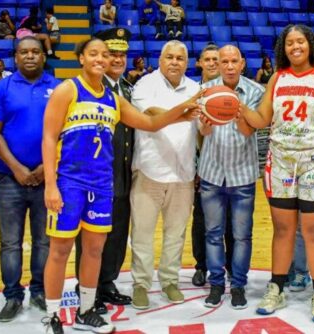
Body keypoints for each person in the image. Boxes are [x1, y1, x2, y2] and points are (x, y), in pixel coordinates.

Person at [41, 37, 201, 334]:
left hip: (102, 184)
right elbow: (49, 137)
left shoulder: (114, 98)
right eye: (94, 54)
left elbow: (149, 123)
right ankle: (52, 316)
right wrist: (51, 184)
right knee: (60, 250)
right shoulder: (67, 90)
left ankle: (86, 310)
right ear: (82, 58)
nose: (100, 59)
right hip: (70, 182)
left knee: (93, 251)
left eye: (105, 54)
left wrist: (182, 111)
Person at [241, 24, 314, 323]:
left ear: (310, 45)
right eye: (289, 43)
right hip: (283, 163)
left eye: (300, 41)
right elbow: (261, 119)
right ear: (283, 48)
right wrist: (235, 106)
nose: (295, 47)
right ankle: (277, 287)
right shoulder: (277, 78)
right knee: (283, 230)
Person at [128, 40, 201, 310]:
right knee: (142, 234)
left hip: (183, 174)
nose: (174, 62)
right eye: (169, 57)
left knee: (176, 234)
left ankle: (170, 280)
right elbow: (152, 114)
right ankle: (141, 284)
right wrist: (190, 107)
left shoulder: (196, 88)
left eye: (179, 58)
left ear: (186, 62)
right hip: (149, 171)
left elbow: (202, 128)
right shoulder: (145, 85)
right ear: (160, 60)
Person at [0, 36, 60, 322]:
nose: (30, 56)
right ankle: (12, 295)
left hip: (48, 179)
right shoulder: (0, 88)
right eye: (24, 52)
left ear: (44, 56)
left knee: (44, 241)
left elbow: (64, 134)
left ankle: (40, 291)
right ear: (15, 57)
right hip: (9, 179)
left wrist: (46, 167)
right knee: (10, 242)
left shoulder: (58, 88)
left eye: (35, 51)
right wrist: (18, 168)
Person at [72, 28, 136, 314]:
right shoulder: (91, 87)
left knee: (117, 231)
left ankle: (107, 280)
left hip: (121, 174)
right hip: (94, 175)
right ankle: (87, 287)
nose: (118, 59)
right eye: (113, 54)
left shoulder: (128, 88)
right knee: (90, 235)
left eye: (123, 54)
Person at [198, 45, 264, 309]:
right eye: (224, 61)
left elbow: (251, 130)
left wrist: (237, 110)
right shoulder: (205, 91)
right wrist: (206, 122)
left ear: (242, 63)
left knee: (242, 235)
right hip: (212, 172)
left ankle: (238, 285)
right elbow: (201, 131)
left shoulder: (256, 92)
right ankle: (216, 284)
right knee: (213, 233)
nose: (228, 66)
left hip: (242, 175)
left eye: (233, 61)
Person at [191, 44, 236, 287]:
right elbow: (192, 135)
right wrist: (196, 166)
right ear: (199, 62)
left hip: (229, 167)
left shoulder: (231, 92)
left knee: (229, 220)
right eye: (207, 59)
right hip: (203, 168)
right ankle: (201, 265)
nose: (211, 63)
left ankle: (229, 265)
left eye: (215, 59)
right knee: (201, 220)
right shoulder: (194, 91)